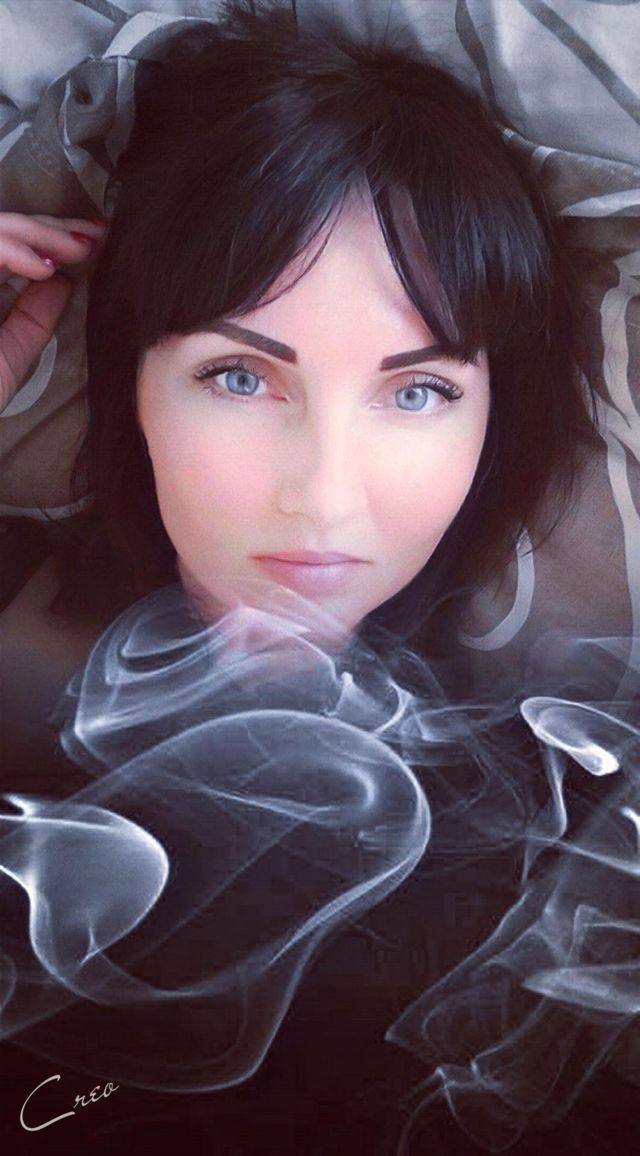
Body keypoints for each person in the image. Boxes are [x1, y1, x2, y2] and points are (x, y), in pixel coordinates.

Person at [3, 6, 628, 1155]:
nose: (325, 495)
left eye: (418, 391)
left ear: (494, 419)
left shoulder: (579, 822)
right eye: (240, 377)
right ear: (128, 382)